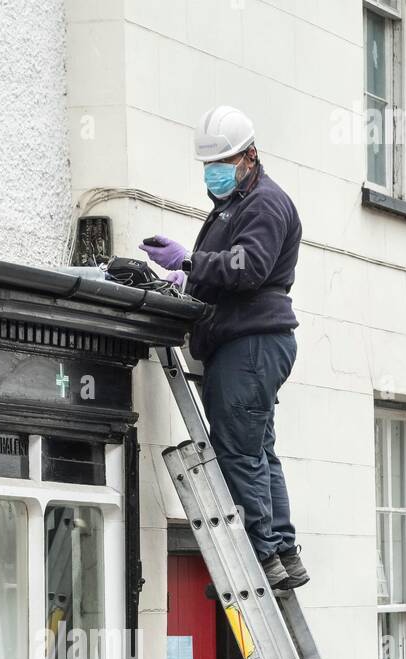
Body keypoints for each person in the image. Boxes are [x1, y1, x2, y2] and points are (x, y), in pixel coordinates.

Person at [140, 105, 308, 593]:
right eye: (208, 165)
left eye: (223, 162)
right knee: (258, 450)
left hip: (249, 344)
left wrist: (189, 262)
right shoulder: (236, 205)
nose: (213, 174)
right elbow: (229, 269)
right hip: (253, 343)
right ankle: (282, 552)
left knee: (237, 451)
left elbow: (248, 266)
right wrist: (185, 276)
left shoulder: (263, 204)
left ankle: (262, 558)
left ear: (250, 156)